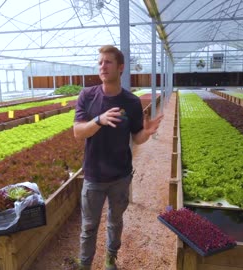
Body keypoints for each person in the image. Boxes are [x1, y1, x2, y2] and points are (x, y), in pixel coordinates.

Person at [73, 45, 163, 270]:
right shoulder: (87, 96)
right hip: (94, 175)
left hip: (120, 176)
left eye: (108, 62)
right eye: (100, 62)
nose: (102, 66)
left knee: (115, 222)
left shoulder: (131, 102)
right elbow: (77, 132)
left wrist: (147, 133)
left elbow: (137, 137)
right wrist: (99, 120)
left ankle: (110, 260)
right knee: (89, 226)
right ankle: (84, 265)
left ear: (120, 67)